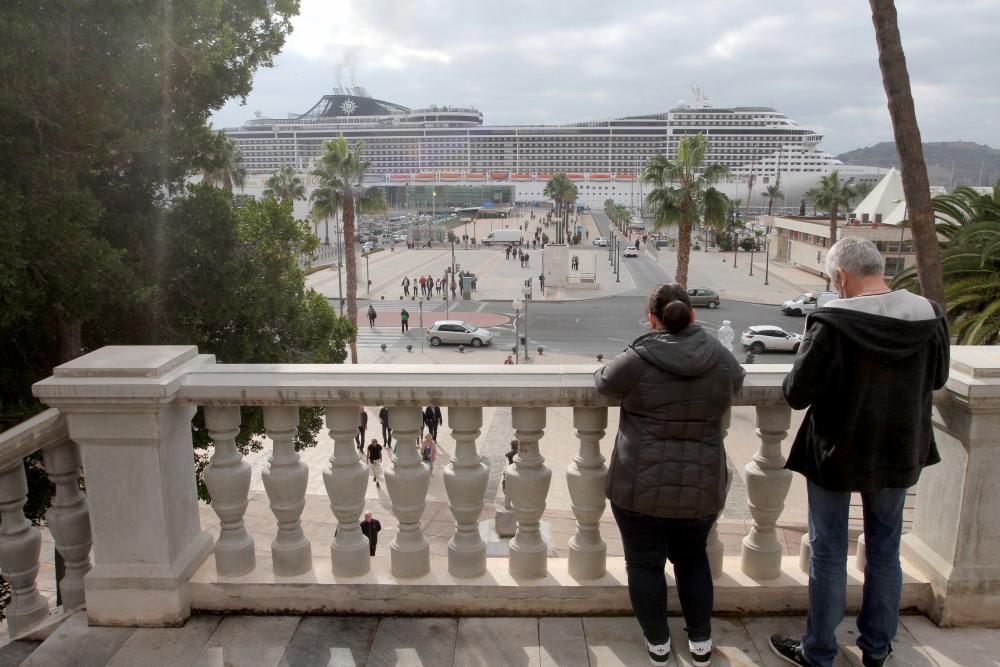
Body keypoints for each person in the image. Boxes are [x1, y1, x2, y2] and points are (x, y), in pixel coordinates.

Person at [767, 238, 949, 667]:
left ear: (842, 277)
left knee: (828, 551)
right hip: (900, 449)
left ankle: (820, 652)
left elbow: (796, 394)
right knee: (886, 550)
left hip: (837, 453)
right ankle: (876, 649)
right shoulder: (929, 315)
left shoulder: (831, 322)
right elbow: (938, 377)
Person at [595, 283, 745, 667]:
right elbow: (737, 381)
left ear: (652, 318)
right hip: (701, 485)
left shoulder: (641, 355)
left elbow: (604, 383)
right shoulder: (718, 354)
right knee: (693, 560)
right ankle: (700, 643)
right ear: (692, 315)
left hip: (639, 486)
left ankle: (659, 645)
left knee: (644, 564)